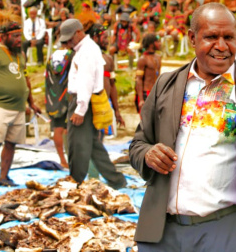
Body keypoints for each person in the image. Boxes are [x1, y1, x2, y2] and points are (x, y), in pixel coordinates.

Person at [129, 3, 236, 252]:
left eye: (228, 37)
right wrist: (147, 155)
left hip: (224, 231)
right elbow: (138, 144)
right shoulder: (166, 85)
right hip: (161, 232)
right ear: (192, 38)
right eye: (211, 37)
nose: (221, 46)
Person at [58, 19, 127, 188]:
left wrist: (80, 110)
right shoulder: (86, 49)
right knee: (93, 146)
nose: (68, 43)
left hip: (83, 101)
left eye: (69, 39)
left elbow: (86, 81)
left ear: (79, 32)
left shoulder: (86, 51)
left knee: (77, 145)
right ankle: (116, 180)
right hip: (86, 99)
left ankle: (76, 182)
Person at [0, 21, 41, 187]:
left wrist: (31, 103)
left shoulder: (21, 55)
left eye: (20, 36)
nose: (19, 40)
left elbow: (26, 80)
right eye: (15, 36)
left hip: (19, 107)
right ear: (3, 37)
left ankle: (4, 177)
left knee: (11, 143)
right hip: (0, 106)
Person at [45, 48, 74, 169]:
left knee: (57, 128)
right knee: (68, 129)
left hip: (53, 96)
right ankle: (71, 159)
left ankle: (62, 159)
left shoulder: (52, 57)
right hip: (68, 95)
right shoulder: (71, 55)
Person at [135, 33, 162, 115]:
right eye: (158, 42)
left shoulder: (158, 57)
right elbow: (138, 79)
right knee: (146, 121)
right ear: (151, 44)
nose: (160, 43)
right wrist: (141, 99)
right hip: (146, 93)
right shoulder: (143, 59)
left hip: (157, 92)